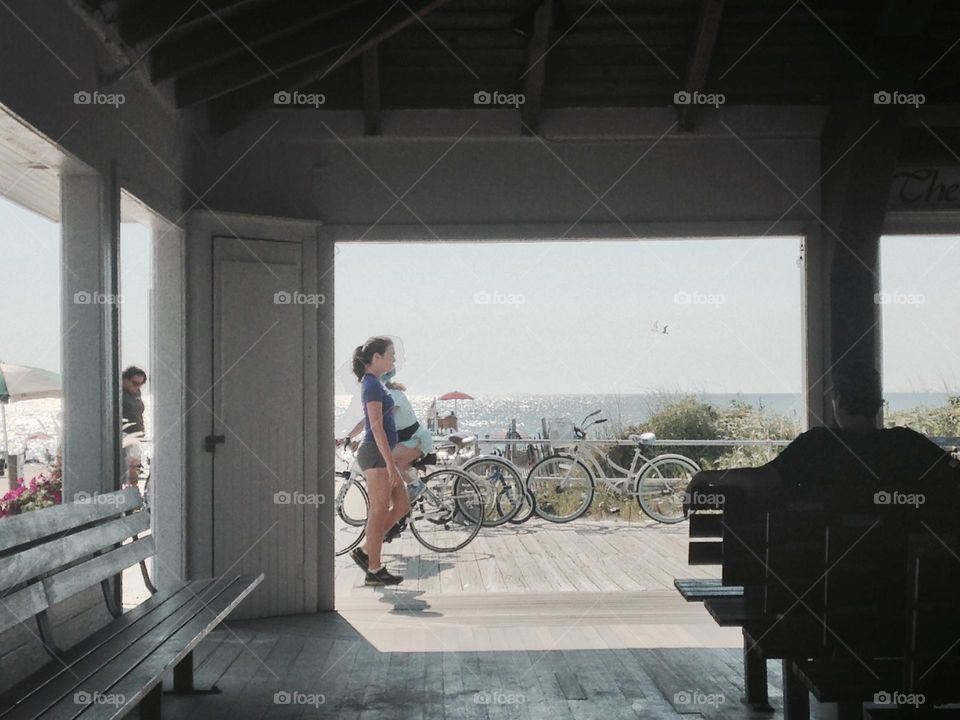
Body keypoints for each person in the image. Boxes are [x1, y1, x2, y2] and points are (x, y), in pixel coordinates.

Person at [689, 361, 959, 502]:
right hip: (901, 584)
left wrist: (706, 475)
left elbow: (761, 479)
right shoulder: (908, 445)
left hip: (823, 581)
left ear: (838, 401)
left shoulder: (816, 447)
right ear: (879, 403)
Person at [348, 337, 409, 586]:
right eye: (391, 354)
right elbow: (376, 426)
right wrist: (391, 463)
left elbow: (371, 420)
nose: (394, 359)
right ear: (376, 358)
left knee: (403, 505)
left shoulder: (377, 384)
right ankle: (374, 568)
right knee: (379, 511)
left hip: (380, 452)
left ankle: (365, 551)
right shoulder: (371, 385)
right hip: (375, 453)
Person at [121, 366, 147, 485]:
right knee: (130, 465)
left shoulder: (136, 393)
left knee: (134, 465)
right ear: (125, 380)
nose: (137, 387)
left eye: (141, 384)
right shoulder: (119, 394)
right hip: (125, 433)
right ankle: (130, 492)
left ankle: (134, 493)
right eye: (135, 383)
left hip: (136, 434)